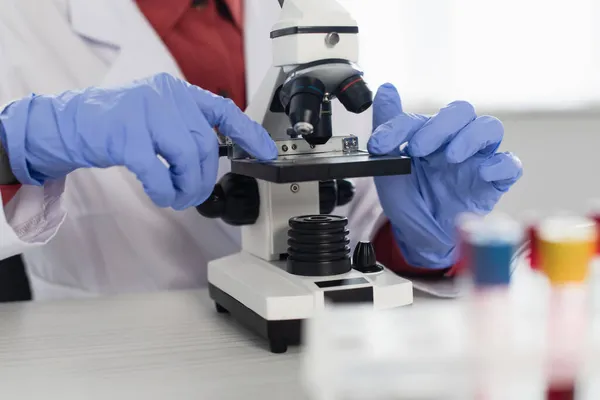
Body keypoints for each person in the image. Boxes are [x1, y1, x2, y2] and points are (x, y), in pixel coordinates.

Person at [0, 0, 522, 300]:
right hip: (115, 366)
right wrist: (14, 147)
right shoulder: (21, 21)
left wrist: (416, 242)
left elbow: (354, 204)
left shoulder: (300, 12)